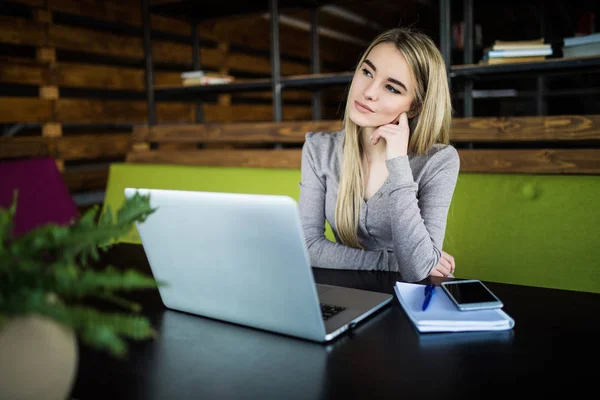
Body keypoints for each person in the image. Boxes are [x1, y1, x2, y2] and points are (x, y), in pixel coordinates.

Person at [298, 27, 459, 282]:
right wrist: (391, 261)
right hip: (349, 292)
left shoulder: (439, 161)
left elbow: (418, 271)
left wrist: (398, 164)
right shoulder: (319, 150)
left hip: (413, 299)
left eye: (392, 88)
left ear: (415, 107)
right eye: (367, 72)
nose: (369, 91)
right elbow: (307, 247)